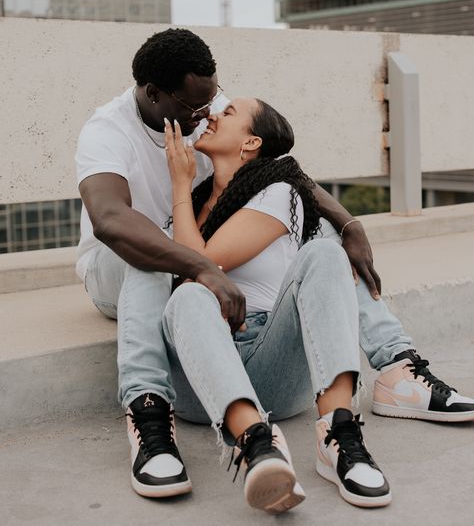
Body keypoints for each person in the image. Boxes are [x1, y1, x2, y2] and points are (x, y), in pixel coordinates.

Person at [75, 28, 474, 505]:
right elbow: (111, 220)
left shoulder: (204, 105)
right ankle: (149, 415)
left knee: (323, 239)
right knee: (146, 250)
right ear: (154, 94)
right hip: (118, 267)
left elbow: (284, 171)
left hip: (219, 301)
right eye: (195, 109)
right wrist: (203, 267)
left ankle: (392, 369)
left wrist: (347, 221)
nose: (207, 117)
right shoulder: (108, 130)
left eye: (215, 107)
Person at [162, 98, 391, 511]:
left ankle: (340, 435)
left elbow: (204, 261)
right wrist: (182, 187)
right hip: (201, 382)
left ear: (251, 142)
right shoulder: (191, 203)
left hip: (271, 362)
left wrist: (179, 185)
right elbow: (190, 275)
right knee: (190, 295)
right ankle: (256, 445)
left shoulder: (276, 193)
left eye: (228, 113)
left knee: (323, 253)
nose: (213, 114)